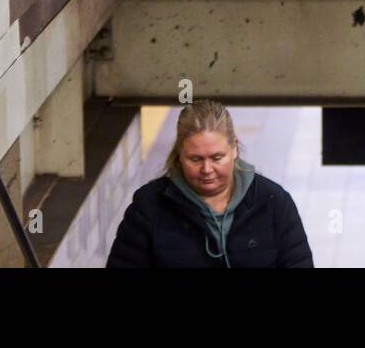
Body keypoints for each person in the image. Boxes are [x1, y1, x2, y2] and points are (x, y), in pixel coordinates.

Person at [107, 99, 313, 268]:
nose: (207, 169)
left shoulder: (273, 202)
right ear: (180, 154)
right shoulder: (149, 206)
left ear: (234, 149)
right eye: (195, 159)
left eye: (217, 158)